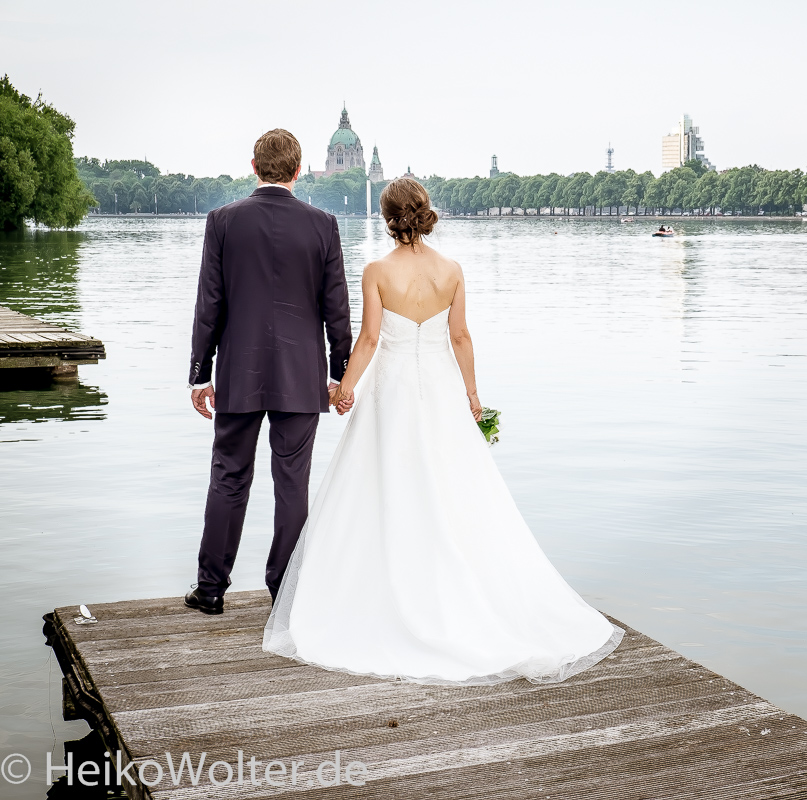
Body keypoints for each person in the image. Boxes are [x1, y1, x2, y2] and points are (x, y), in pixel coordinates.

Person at [262, 178, 622, 684]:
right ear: (425, 213)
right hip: (439, 389)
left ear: (387, 218)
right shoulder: (451, 271)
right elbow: (460, 336)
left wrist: (343, 389)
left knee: (384, 484)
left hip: (391, 392)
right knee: (454, 485)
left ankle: (385, 585)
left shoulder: (376, 271)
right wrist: (472, 394)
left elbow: (367, 339)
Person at [185, 129, 352, 615]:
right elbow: (336, 310)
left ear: (253, 165)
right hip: (301, 375)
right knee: (292, 483)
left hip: (239, 370)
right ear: (298, 170)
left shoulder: (222, 221)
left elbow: (208, 304)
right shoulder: (324, 225)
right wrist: (341, 373)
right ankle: (286, 590)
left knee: (228, 477)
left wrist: (200, 374)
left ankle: (211, 589)